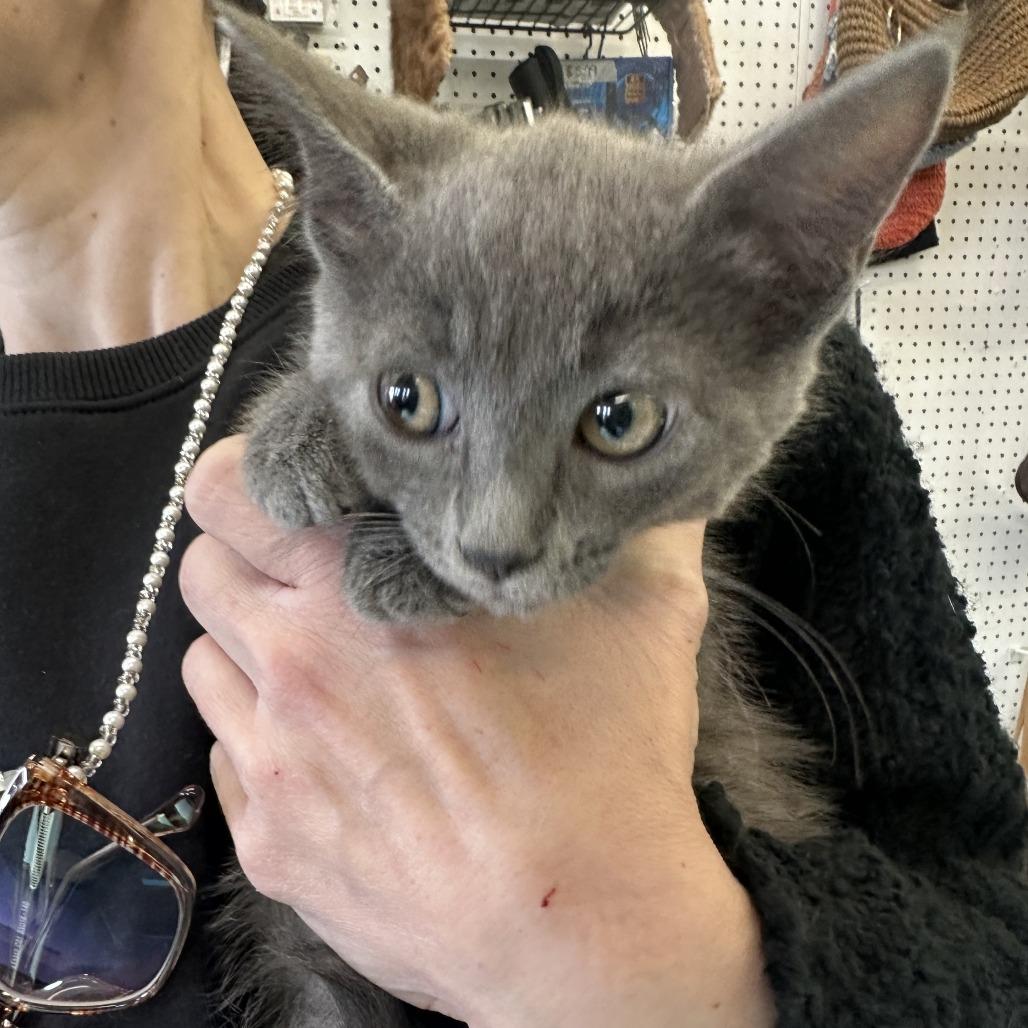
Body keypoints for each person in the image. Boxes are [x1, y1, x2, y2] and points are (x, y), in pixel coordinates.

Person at [0, 4, 1024, 1028]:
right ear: (343, 228)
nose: (492, 540)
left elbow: (994, 932)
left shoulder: (703, 342)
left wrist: (645, 962)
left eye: (615, 422)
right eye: (408, 403)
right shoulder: (390, 266)